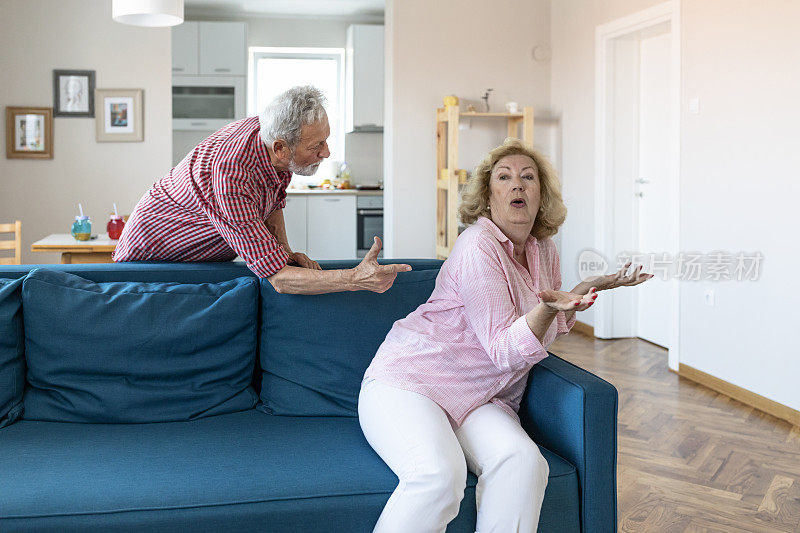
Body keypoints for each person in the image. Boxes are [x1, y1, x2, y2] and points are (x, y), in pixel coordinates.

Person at [358, 138, 653, 532]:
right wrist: (547, 307)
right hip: (411, 382)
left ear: (541, 196)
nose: (518, 185)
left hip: (482, 396)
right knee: (438, 477)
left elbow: (553, 322)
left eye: (528, 177)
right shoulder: (478, 245)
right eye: (505, 177)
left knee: (524, 463)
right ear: (488, 195)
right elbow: (504, 349)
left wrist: (588, 286)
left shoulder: (543, 249)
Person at [114, 85, 409, 294]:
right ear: (281, 148)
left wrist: (285, 251)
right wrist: (354, 278)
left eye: (325, 140)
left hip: (194, 259)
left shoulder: (271, 141)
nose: (327, 152)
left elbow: (274, 201)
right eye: (316, 145)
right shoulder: (231, 176)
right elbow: (278, 279)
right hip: (151, 263)